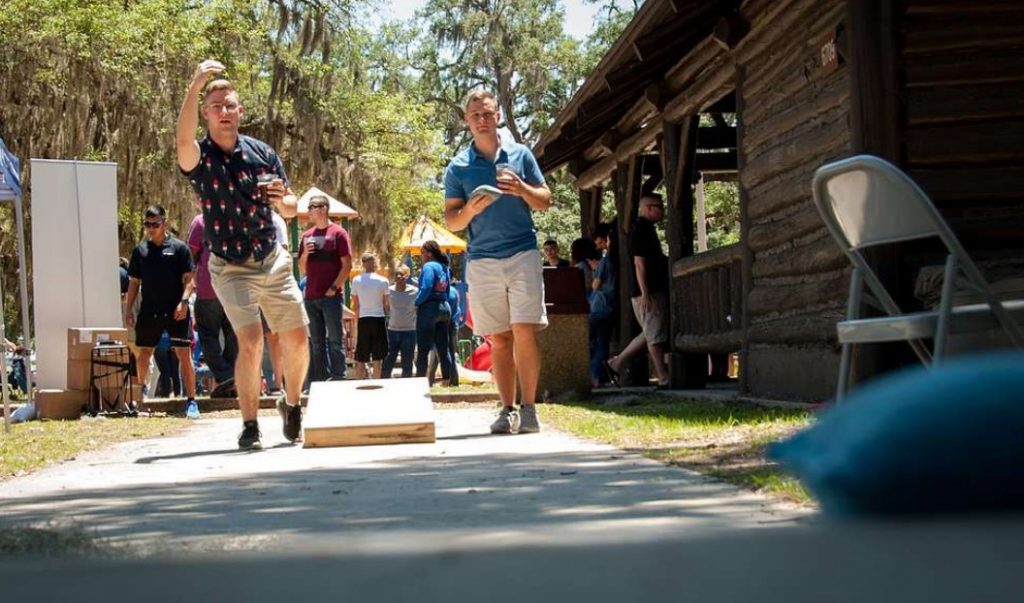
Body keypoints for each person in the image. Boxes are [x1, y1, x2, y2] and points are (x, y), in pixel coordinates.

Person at [177, 59, 308, 449]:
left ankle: (292, 404)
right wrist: (196, 83)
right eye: (216, 106)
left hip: (272, 258)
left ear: (240, 112)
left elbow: (290, 205)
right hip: (229, 266)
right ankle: (250, 425)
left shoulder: (262, 152)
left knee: (297, 339)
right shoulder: (199, 158)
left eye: (230, 105)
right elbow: (182, 141)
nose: (224, 112)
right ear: (206, 114)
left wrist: (284, 200)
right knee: (250, 341)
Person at [443, 89, 552, 434]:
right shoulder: (458, 167)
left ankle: (531, 408)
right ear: (466, 121)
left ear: (498, 116)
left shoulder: (520, 155)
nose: (482, 120)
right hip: (482, 259)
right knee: (500, 338)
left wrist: (522, 189)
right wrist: (471, 209)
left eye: (488, 114)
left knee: (524, 330)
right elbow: (452, 222)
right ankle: (508, 409)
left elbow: (545, 200)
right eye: (475, 115)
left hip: (523, 251)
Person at [123, 205, 199, 417]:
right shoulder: (140, 251)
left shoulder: (179, 248)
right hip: (150, 310)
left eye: (155, 224)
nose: (151, 229)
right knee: (144, 353)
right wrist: (129, 309)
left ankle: (192, 401)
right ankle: (140, 399)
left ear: (164, 223)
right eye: (147, 225)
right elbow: (134, 283)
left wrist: (184, 302)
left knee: (184, 353)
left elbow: (190, 279)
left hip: (176, 310)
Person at [606, 194, 670, 388]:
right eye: (660, 206)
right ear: (649, 208)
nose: (663, 210)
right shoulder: (642, 230)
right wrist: (645, 292)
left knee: (651, 332)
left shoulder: (644, 229)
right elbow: (639, 263)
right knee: (654, 335)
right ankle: (663, 376)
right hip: (647, 291)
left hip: (648, 290)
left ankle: (616, 363)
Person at [298, 194, 352, 383]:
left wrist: (334, 287)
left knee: (335, 340)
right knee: (316, 342)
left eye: (312, 207)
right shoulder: (306, 236)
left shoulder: (338, 233)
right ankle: (319, 379)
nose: (309, 211)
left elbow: (347, 265)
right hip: (311, 297)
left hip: (331, 297)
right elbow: (302, 269)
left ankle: (339, 377)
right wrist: (305, 253)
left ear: (323, 208)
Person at [187, 210, 238, 391]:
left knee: (209, 336)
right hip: (230, 290)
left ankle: (226, 376)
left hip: (212, 290)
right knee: (233, 336)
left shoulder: (200, 221)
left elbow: (191, 255)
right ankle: (228, 378)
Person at [414, 241, 453, 385]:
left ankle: (419, 381)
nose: (421, 256)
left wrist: (416, 302)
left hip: (429, 308)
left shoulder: (429, 266)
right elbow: (447, 289)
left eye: (422, 253)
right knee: (443, 347)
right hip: (444, 307)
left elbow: (427, 287)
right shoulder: (444, 267)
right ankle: (446, 381)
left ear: (429, 253)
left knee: (423, 348)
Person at [350, 252, 390, 379]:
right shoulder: (384, 281)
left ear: (363, 264)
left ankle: (359, 382)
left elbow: (355, 304)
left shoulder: (356, 280)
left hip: (363, 318)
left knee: (361, 356)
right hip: (378, 318)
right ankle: (377, 381)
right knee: (378, 357)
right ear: (374, 263)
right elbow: (386, 303)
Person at [588, 223, 617, 388]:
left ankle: (593, 376)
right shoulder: (613, 260)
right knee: (603, 344)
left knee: (593, 343)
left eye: (600, 243)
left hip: (599, 307)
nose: (599, 247)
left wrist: (594, 271)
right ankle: (598, 377)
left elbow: (595, 285)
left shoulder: (604, 262)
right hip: (610, 307)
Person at [381, 264, 418, 379]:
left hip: (409, 331)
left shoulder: (415, 291)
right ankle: (384, 382)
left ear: (406, 276)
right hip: (392, 330)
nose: (399, 276)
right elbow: (385, 305)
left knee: (407, 361)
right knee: (388, 360)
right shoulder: (389, 291)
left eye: (401, 274)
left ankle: (406, 384)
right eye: (396, 274)